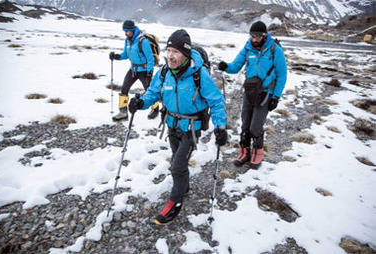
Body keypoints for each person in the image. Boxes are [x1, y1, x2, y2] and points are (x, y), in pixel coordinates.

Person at [129, 29, 227, 225]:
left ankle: (175, 201)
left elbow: (216, 101)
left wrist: (221, 127)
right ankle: (184, 187)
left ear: (186, 54)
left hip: (191, 128)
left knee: (177, 166)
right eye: (168, 50)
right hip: (171, 125)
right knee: (177, 161)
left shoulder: (198, 74)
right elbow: (153, 93)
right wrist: (141, 103)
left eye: (176, 52)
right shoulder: (164, 72)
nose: (170, 56)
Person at [218, 21, 287, 169]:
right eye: (252, 36)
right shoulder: (248, 48)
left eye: (257, 36)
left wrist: (276, 97)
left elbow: (282, 75)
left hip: (266, 93)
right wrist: (226, 67)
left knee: (256, 126)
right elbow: (236, 66)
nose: (253, 39)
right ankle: (245, 152)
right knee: (245, 124)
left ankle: (258, 153)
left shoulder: (275, 50)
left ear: (264, 35)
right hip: (250, 91)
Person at [109, 20, 159, 121]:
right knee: (124, 89)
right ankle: (123, 112)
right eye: (124, 31)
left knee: (149, 91)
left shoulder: (143, 41)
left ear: (132, 30)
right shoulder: (127, 40)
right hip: (133, 70)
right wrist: (116, 56)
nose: (125, 33)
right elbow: (126, 55)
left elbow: (150, 58)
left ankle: (155, 109)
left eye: (127, 31)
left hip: (144, 71)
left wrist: (150, 72)